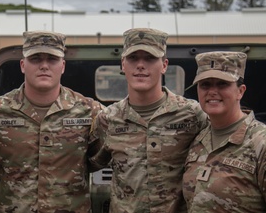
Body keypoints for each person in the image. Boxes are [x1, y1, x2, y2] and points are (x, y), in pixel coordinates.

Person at [0, 31, 104, 212]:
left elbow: (101, 157)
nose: (44, 65)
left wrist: (72, 176)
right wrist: (8, 181)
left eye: (52, 59)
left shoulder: (89, 111)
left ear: (63, 66)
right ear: (23, 65)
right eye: (35, 59)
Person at [89, 28, 208, 212]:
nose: (141, 65)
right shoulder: (108, 119)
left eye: (150, 58)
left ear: (164, 65)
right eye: (133, 58)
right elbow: (88, 162)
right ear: (123, 64)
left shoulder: (192, 115)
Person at [182, 51, 266, 212]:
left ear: (240, 91)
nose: (212, 91)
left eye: (222, 84)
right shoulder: (197, 141)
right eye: (205, 84)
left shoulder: (260, 143)